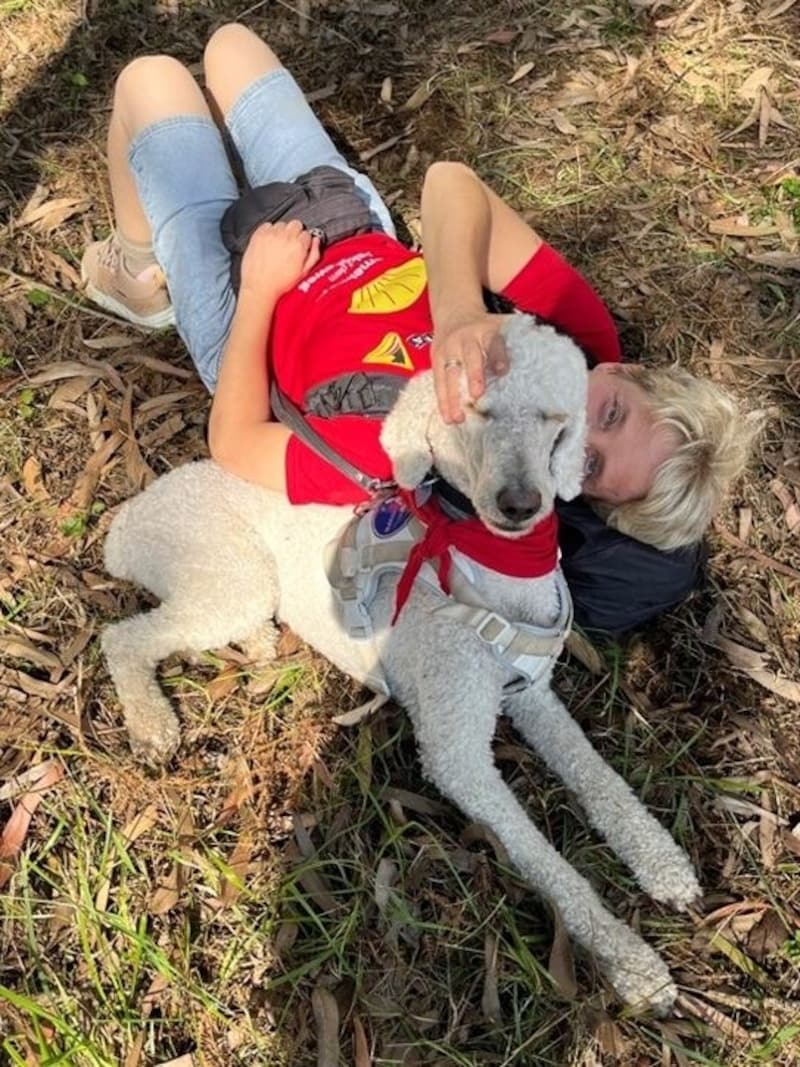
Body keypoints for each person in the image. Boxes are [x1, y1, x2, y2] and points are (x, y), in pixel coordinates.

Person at [80, 23, 757, 632]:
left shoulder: (413, 459)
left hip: (242, 307)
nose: (573, 424)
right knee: (231, 45)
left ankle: (138, 278)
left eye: (589, 460)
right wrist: (459, 308)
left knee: (150, 81)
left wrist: (259, 290)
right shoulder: (575, 335)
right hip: (346, 223)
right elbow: (453, 185)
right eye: (610, 411)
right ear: (620, 370)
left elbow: (232, 441)